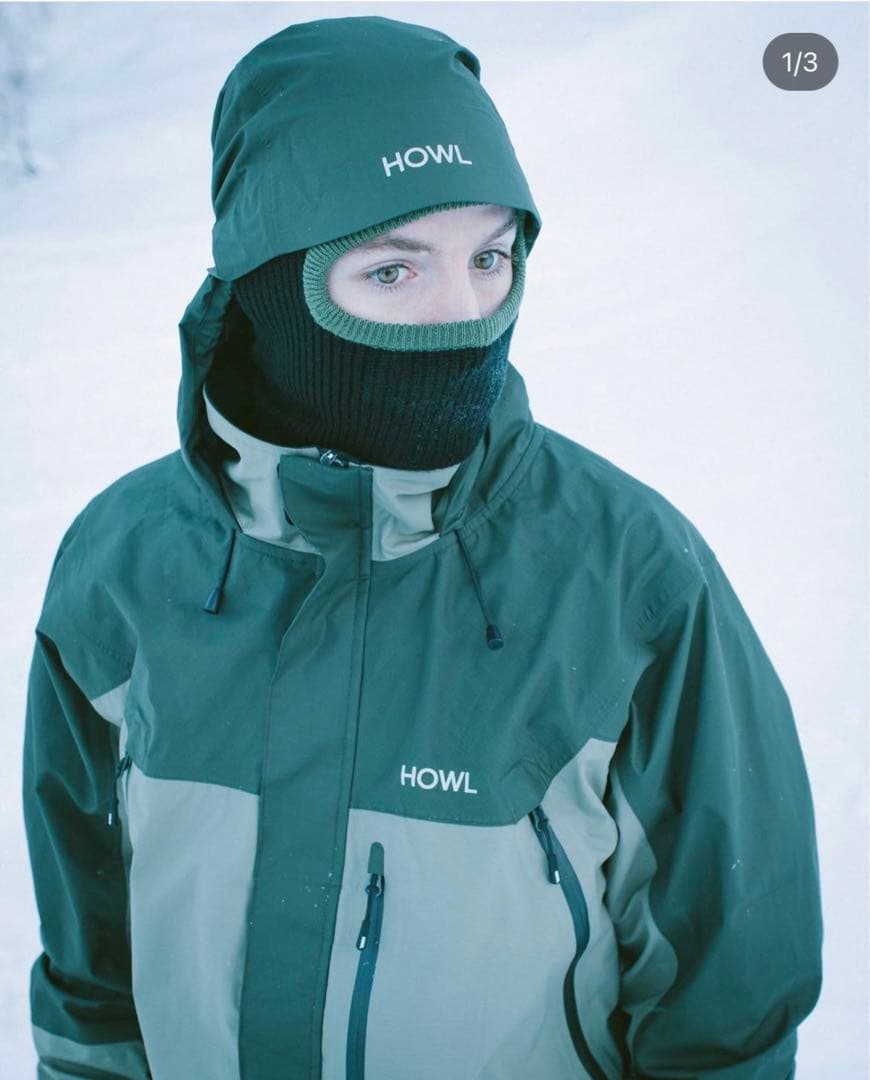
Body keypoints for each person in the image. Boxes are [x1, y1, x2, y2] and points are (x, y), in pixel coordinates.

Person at [21, 14, 823, 1080]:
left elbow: (726, 1017)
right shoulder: (121, 568)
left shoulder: (630, 579)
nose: (466, 316)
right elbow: (93, 984)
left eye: (490, 258)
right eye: (393, 273)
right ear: (271, 283)